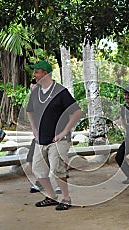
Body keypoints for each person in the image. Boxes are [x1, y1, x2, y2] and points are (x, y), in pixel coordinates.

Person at [27, 60, 81, 211]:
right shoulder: (35, 92)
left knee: (57, 170)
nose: (34, 75)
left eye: (37, 72)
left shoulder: (60, 91)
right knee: (37, 169)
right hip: (41, 139)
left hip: (59, 139)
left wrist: (64, 131)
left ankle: (66, 198)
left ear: (45, 73)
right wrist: (34, 130)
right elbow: (30, 110)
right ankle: (51, 196)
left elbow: (76, 112)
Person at [115, 87, 129, 184]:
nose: (126, 97)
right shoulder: (123, 109)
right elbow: (123, 121)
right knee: (119, 157)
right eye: (125, 95)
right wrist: (126, 131)